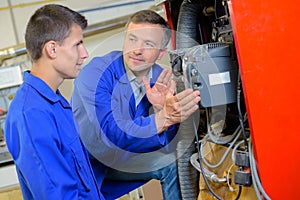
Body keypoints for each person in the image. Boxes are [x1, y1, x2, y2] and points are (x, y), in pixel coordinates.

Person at [71, 9, 200, 199]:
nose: (137, 50)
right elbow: (111, 132)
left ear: (160, 53)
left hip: (126, 158)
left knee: (173, 164)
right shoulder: (95, 74)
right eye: (132, 39)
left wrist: (159, 108)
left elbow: (168, 145)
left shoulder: (161, 79)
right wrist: (163, 118)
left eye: (148, 44)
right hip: (90, 165)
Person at [4, 4, 104, 199]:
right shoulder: (32, 115)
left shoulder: (56, 103)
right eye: (77, 44)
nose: (85, 54)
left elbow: (87, 181)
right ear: (52, 49)